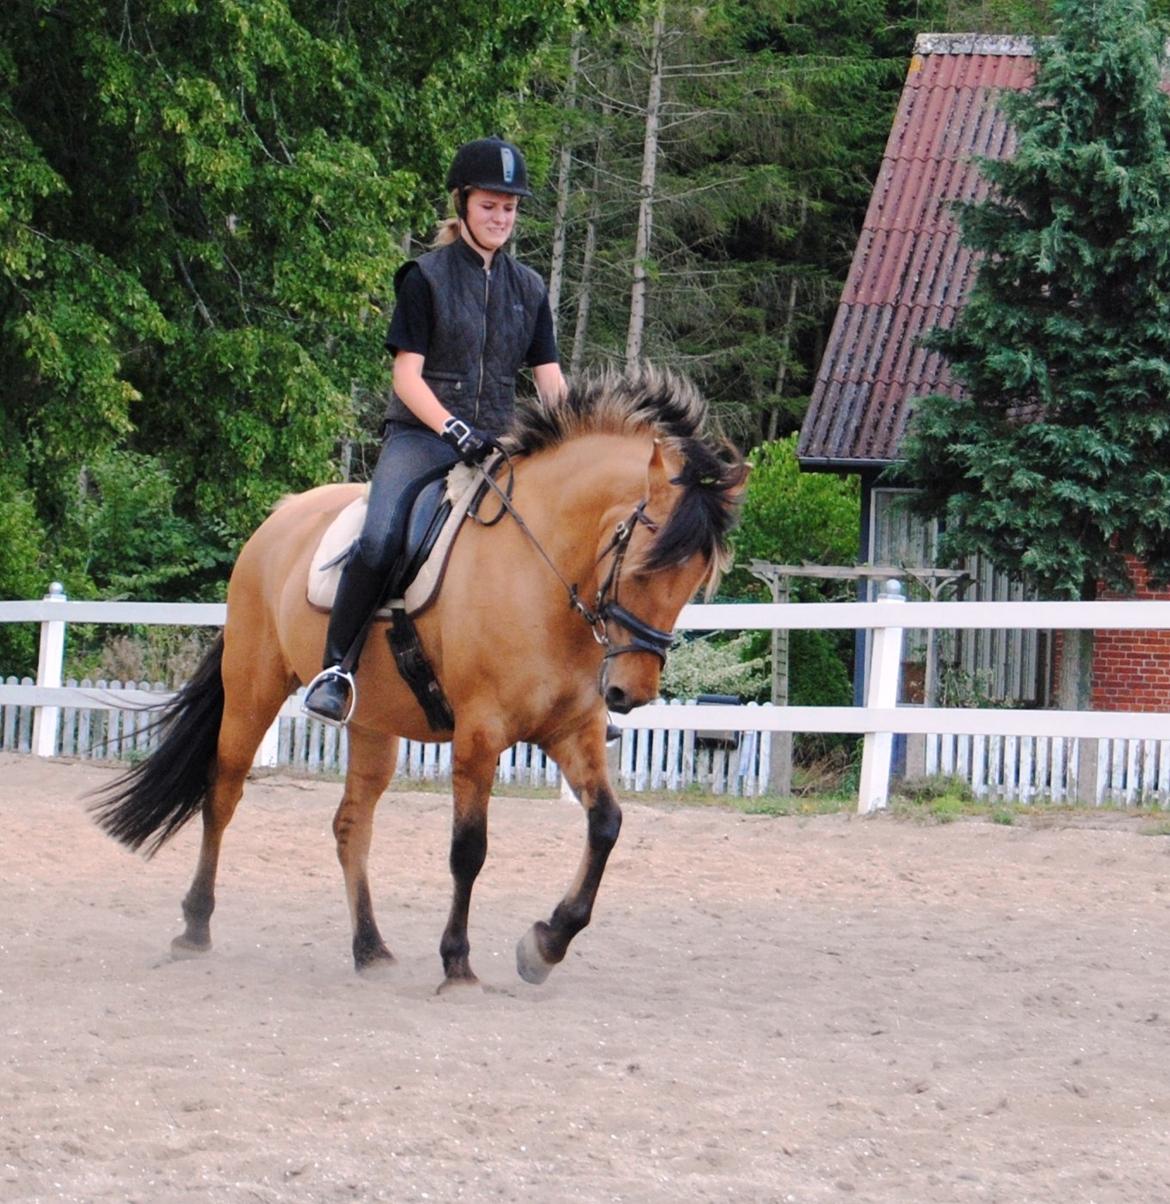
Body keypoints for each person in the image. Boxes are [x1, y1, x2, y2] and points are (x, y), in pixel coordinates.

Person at [303, 136, 567, 724]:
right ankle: (336, 669)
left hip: (501, 441)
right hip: (423, 436)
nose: (501, 218)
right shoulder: (425, 277)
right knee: (380, 539)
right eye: (489, 206)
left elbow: (550, 379)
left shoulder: (529, 288)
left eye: (510, 208)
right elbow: (406, 377)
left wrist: (567, 436)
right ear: (463, 203)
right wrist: (453, 429)